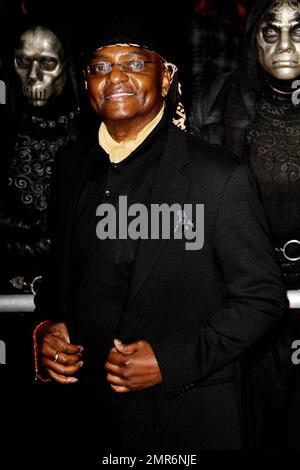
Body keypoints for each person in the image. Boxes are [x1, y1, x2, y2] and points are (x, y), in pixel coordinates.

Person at [33, 15, 287, 451]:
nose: (114, 77)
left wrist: (168, 361)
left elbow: (262, 300)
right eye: (99, 67)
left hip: (186, 419)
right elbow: (59, 279)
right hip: (87, 419)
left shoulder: (217, 178)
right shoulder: (69, 168)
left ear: (166, 77)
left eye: (133, 63)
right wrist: (48, 329)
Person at [190, 0, 300, 449]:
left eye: (299, 30)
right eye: (270, 32)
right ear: (252, 37)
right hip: (242, 298)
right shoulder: (214, 102)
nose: (286, 45)